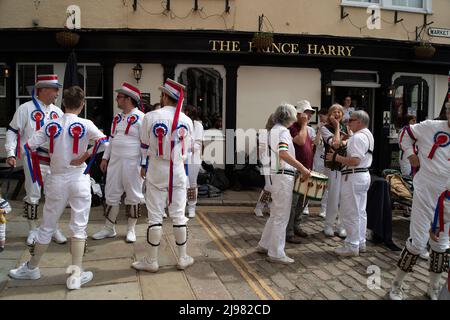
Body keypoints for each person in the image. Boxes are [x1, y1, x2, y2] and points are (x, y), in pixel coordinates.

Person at [9, 86, 108, 289]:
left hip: (57, 179)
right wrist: (84, 156)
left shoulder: (50, 124)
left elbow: (29, 147)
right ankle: (75, 276)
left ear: (63, 103)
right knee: (79, 227)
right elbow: (104, 142)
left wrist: (50, 159)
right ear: (82, 104)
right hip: (79, 178)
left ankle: (32, 268)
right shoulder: (86, 123)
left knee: (47, 226)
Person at [132, 78, 194, 273]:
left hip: (157, 168)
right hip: (177, 169)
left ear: (166, 97)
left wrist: (143, 164)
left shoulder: (150, 116)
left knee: (155, 216)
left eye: (162, 94)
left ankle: (152, 260)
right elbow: (190, 148)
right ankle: (183, 257)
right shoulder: (187, 120)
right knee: (178, 215)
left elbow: (143, 144)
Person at [389, 104, 450, 300]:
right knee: (417, 243)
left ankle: (433, 287)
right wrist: (410, 154)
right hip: (426, 191)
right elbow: (405, 134)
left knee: (441, 244)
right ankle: (396, 285)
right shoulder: (430, 126)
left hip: (448, 198)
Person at [5, 74, 67, 246]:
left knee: (54, 195)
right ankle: (32, 229)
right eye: (55, 89)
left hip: (53, 160)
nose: (57, 93)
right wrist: (11, 153)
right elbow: (12, 130)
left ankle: (52, 228)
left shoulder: (57, 112)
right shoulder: (25, 109)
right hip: (33, 158)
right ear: (43, 90)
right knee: (33, 194)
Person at [256, 103, 311, 265]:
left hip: (276, 175)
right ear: (290, 117)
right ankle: (276, 252)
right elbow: (283, 153)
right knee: (282, 215)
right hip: (282, 175)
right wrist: (302, 168)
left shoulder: (274, 130)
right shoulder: (283, 132)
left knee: (275, 213)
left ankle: (264, 244)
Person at [92, 82, 145, 243]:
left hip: (133, 164)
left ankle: (131, 229)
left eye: (120, 97)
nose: (117, 99)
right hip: (115, 162)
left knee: (133, 196)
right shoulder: (117, 118)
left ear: (129, 99)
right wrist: (105, 157)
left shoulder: (143, 118)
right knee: (111, 194)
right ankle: (109, 228)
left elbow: (146, 144)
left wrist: (144, 164)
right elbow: (111, 138)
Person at [326, 110, 374, 256]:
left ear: (359, 122)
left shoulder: (358, 137)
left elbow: (355, 161)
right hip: (362, 175)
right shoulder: (368, 134)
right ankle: (360, 242)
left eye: (350, 120)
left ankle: (352, 245)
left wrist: (336, 157)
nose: (348, 123)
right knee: (360, 211)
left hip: (354, 176)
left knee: (350, 211)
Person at [286, 100, 316, 244]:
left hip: (306, 171)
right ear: (298, 114)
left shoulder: (306, 129)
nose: (308, 116)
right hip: (297, 170)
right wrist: (303, 125)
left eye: (310, 114)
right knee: (293, 203)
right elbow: (300, 142)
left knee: (302, 202)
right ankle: (289, 231)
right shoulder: (293, 127)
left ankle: (296, 225)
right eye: (306, 113)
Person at [320, 104, 350, 238]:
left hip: (345, 166)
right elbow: (335, 143)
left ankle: (341, 226)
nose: (337, 114)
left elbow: (351, 142)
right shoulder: (324, 128)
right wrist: (337, 127)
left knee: (344, 197)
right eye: (334, 112)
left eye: (339, 112)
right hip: (332, 166)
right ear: (330, 115)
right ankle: (329, 225)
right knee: (333, 196)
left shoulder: (347, 128)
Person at [184, 105, 204, 218]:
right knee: (181, 183)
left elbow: (198, 144)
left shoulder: (198, 126)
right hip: (181, 157)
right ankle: (180, 206)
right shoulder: (181, 123)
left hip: (193, 159)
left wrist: (186, 150)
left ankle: (192, 207)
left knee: (192, 183)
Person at [254, 114, 275, 217]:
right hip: (267, 162)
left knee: (274, 186)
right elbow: (260, 151)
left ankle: (270, 206)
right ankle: (259, 207)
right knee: (268, 186)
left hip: (276, 162)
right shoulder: (263, 134)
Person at [312, 108, 329, 218]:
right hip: (318, 159)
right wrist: (320, 130)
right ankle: (306, 207)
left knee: (326, 187)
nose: (320, 119)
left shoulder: (331, 129)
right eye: (319, 117)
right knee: (313, 183)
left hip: (326, 161)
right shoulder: (318, 128)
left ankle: (323, 209)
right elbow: (316, 143)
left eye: (322, 116)